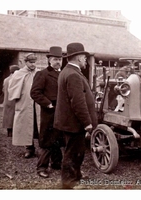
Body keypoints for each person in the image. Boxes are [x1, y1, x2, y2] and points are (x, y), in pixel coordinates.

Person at [54, 42, 98, 189]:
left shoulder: (67, 71)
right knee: (72, 153)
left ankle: (76, 176)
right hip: (74, 123)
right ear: (79, 58)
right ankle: (69, 183)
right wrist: (87, 122)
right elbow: (78, 102)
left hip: (70, 121)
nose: (86, 60)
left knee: (76, 151)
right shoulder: (73, 74)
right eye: (84, 58)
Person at [30, 46, 64, 178]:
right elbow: (34, 93)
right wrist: (48, 103)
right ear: (49, 60)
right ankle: (41, 167)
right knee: (47, 139)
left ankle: (56, 163)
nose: (58, 62)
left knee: (58, 137)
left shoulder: (63, 74)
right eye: (55, 59)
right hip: (49, 111)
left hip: (62, 111)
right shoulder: (42, 74)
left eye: (60, 59)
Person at [8, 53, 40, 158]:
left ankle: (43, 149)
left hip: (37, 104)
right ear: (25, 62)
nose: (33, 64)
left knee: (38, 124)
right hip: (24, 103)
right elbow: (12, 88)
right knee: (26, 125)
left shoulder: (39, 73)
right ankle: (29, 148)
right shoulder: (18, 74)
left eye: (34, 62)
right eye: (30, 62)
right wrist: (19, 94)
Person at [2, 65, 20, 137]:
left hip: (7, 100)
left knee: (8, 116)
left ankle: (9, 132)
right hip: (14, 100)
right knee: (13, 116)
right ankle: (13, 132)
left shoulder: (6, 79)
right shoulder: (16, 79)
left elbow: (3, 90)